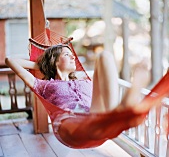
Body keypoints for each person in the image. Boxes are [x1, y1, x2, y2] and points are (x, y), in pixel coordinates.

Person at [5, 44, 151, 148]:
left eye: (72, 54)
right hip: (69, 124)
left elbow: (104, 74)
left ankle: (115, 114)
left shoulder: (83, 78)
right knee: (88, 123)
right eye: (66, 54)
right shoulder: (42, 85)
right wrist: (42, 65)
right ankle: (117, 116)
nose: (73, 57)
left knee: (104, 56)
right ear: (54, 61)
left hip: (94, 114)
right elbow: (10, 60)